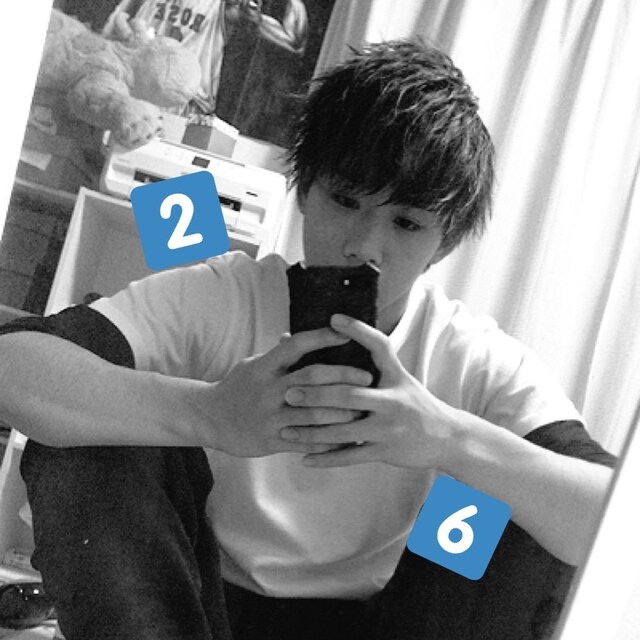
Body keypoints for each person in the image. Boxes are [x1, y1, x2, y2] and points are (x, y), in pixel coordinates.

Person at [0, 40, 616, 640]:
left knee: (524, 494)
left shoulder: (471, 356)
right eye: (345, 200)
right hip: (191, 602)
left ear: (445, 243)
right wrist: (206, 413)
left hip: (385, 618)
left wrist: (449, 439)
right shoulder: (225, 294)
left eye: (406, 223)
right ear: (304, 190)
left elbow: (618, 527)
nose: (362, 247)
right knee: (84, 427)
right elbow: (11, 366)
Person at [102, 0, 308, 114]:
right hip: (130, 92)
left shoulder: (226, 6)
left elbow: (293, 41)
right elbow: (109, 32)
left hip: (183, 104)